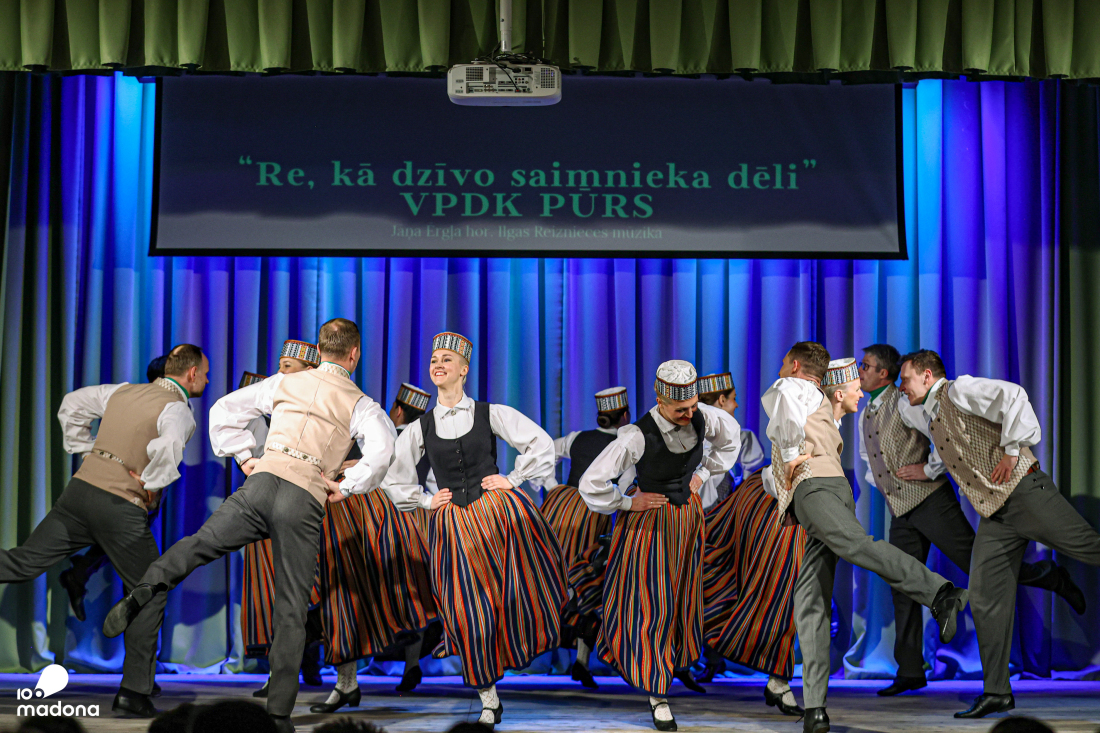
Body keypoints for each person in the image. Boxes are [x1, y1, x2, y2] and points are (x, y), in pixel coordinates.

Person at [103, 318, 395, 733]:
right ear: (354, 354)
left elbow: (224, 409)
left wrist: (244, 457)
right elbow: (383, 451)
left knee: (199, 544)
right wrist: (346, 487)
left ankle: (149, 585)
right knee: (290, 607)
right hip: (303, 497)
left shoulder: (284, 382)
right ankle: (278, 714)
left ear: (318, 350)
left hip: (261, 482)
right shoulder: (361, 403)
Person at [858, 344, 1083, 697]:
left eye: (866, 366)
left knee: (978, 565)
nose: (860, 372)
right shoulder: (873, 413)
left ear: (886, 373)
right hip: (909, 508)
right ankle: (915, 671)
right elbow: (872, 458)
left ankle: (1047, 575)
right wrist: (888, 484)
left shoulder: (913, 401)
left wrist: (929, 469)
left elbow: (945, 432)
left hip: (939, 501)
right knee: (909, 583)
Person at [765, 346, 967, 733]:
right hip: (820, 491)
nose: (862, 390)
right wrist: (782, 470)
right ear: (838, 391)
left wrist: (789, 458)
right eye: (856, 386)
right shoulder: (812, 398)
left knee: (857, 547)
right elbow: (793, 406)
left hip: (818, 489)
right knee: (810, 604)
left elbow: (786, 404)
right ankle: (815, 708)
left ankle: (941, 594)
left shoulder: (802, 393)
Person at [0, 345, 208, 717]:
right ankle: (133, 692)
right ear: (191, 374)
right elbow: (169, 448)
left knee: (23, 562)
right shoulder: (178, 409)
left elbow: (72, 404)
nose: (207, 380)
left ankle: (140, 682)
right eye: (205, 374)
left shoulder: (122, 391)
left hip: (79, 493)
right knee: (150, 590)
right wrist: (151, 486)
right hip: (119, 507)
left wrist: (88, 451)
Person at [379, 331, 565, 729]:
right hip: (452, 525)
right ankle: (488, 697)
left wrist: (513, 479)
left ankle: (518, 654)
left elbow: (541, 443)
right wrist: (425, 501)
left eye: (447, 359)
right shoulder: (421, 427)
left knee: (511, 597)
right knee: (466, 609)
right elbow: (393, 477)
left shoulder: (489, 413)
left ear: (464, 369)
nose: (438, 364)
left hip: (496, 516)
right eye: (434, 359)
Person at [578, 360, 741, 731]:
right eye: (680, 409)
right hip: (649, 525)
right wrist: (626, 502)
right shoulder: (637, 435)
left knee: (680, 600)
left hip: (687, 523)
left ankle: (670, 667)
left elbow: (730, 440)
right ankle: (657, 693)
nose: (689, 414)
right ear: (660, 400)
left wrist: (703, 473)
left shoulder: (703, 417)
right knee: (652, 603)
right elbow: (592, 483)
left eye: (693, 406)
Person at [309, 382, 439, 713]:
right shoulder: (427, 443)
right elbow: (435, 487)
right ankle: (409, 663)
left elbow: (375, 471)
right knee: (406, 594)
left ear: (397, 410)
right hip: (413, 525)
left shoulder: (376, 439)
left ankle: (346, 681)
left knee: (348, 594)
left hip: (367, 521)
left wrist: (351, 469)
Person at [693, 371, 803, 716]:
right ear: (721, 401)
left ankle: (734, 658)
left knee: (737, 589)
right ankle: (685, 658)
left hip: (728, 527)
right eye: (733, 399)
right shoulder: (688, 436)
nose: (738, 404)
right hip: (695, 525)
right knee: (699, 589)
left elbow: (757, 480)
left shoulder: (741, 438)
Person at [236, 341, 325, 697]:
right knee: (274, 591)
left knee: (309, 587)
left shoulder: (322, 407)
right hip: (267, 508)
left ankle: (313, 662)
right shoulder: (263, 410)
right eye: (280, 365)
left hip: (307, 507)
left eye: (289, 366)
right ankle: (279, 672)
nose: (281, 372)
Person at [58, 354, 171, 626]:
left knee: (125, 548)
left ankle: (80, 573)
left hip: (138, 490)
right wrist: (89, 453)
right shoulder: (140, 403)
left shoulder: (164, 405)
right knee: (134, 556)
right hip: (126, 487)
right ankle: (83, 575)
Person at [543, 386, 630, 689]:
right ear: (625, 415)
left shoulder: (577, 438)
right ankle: (580, 659)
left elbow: (545, 452)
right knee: (589, 585)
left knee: (554, 576)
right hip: (591, 516)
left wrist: (553, 487)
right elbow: (625, 488)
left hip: (559, 510)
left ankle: (578, 661)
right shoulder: (626, 446)